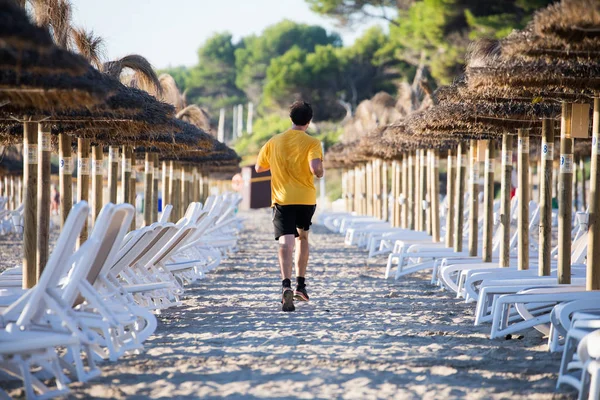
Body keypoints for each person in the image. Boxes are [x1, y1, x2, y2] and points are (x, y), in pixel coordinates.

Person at [255, 101, 324, 312]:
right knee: (302, 237)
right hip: (305, 198)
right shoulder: (313, 142)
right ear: (309, 121)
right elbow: (315, 169)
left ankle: (285, 284)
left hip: (282, 199)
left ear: (291, 118)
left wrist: (277, 163)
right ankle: (300, 286)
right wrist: (320, 170)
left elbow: (259, 167)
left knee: (285, 243)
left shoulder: (274, 141)